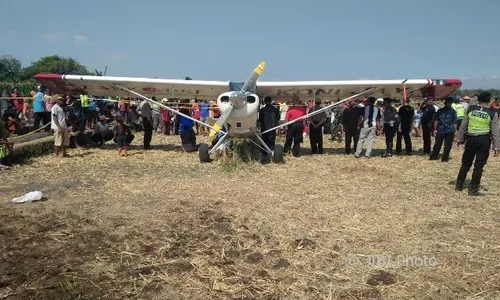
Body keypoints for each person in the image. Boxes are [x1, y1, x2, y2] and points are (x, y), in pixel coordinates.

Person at [455, 91, 500, 196]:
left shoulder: (470, 109)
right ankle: (473, 189)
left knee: (466, 163)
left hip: (471, 139)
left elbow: (463, 125)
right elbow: (495, 132)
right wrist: (496, 147)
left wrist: (459, 139)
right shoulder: (493, 112)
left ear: (478, 99)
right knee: (479, 165)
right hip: (484, 140)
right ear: (489, 100)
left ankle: (459, 184)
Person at [429, 97, 457, 162]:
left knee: (437, 144)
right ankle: (444, 158)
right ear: (451, 103)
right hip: (449, 130)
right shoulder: (453, 112)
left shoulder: (440, 111)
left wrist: (435, 129)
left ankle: (433, 156)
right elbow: (454, 122)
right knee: (448, 145)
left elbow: (436, 120)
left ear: (445, 103)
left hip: (440, 130)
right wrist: (455, 131)